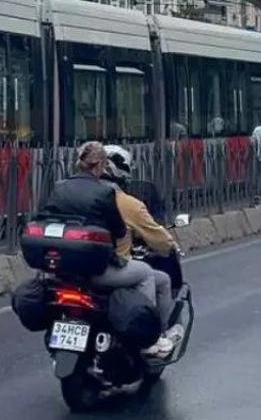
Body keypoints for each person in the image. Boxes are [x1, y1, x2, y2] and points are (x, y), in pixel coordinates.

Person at [41, 141, 175, 358]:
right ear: (101, 166)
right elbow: (119, 231)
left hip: (65, 269)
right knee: (147, 274)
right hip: (100, 269)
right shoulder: (109, 196)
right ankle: (147, 338)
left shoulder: (61, 187)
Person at [102, 145, 185, 355]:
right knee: (155, 277)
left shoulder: (74, 195)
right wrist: (170, 246)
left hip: (71, 269)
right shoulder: (126, 203)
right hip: (107, 268)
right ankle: (151, 336)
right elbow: (158, 238)